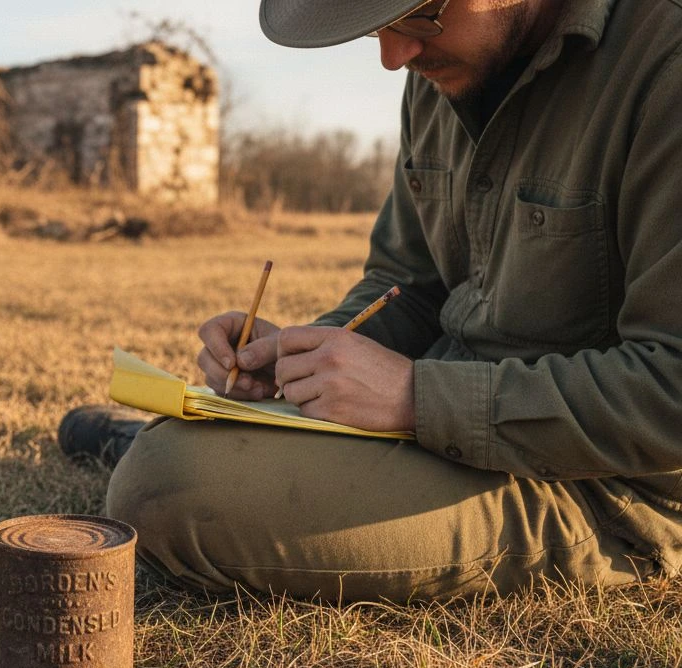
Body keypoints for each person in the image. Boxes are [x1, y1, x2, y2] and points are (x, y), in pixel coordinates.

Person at [59, 0, 682, 602]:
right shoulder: (438, 69)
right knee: (192, 442)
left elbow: (671, 393)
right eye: (375, 25)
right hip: (441, 423)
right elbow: (406, 283)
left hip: (599, 483)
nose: (393, 55)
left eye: (417, 13)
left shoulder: (664, 63)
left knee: (164, 485)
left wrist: (416, 396)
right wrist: (305, 356)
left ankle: (143, 449)